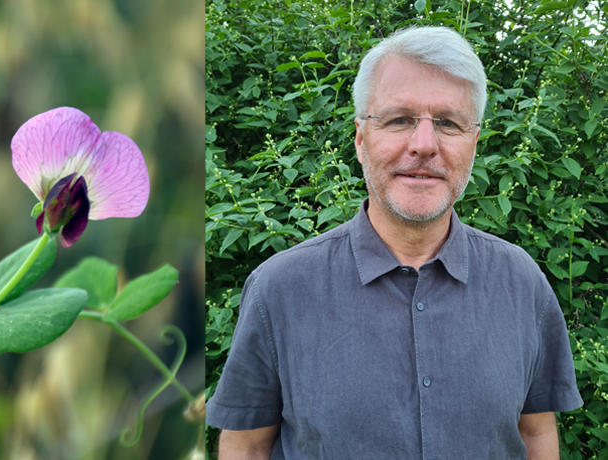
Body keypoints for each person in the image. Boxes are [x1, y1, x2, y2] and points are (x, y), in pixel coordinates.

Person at [205, 26, 583, 459]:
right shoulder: (279, 289)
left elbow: (536, 434)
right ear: (361, 138)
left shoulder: (522, 283)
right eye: (399, 119)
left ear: (473, 142)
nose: (424, 145)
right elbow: (247, 446)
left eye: (448, 123)